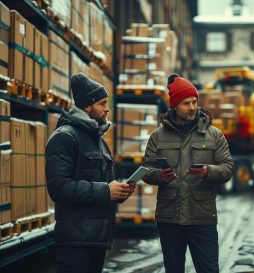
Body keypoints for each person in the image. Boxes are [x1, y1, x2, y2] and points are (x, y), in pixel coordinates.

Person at [142, 74, 234, 273]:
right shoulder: (158, 136)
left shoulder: (214, 134)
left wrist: (208, 171)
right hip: (170, 218)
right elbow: (146, 169)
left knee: (209, 269)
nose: (192, 107)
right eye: (186, 103)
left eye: (194, 101)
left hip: (202, 217)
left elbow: (227, 168)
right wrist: (159, 176)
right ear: (175, 105)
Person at [45, 73, 134, 273]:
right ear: (87, 106)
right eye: (102, 103)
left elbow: (104, 185)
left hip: (97, 239)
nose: (107, 108)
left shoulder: (99, 141)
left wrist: (119, 191)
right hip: (75, 243)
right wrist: (106, 191)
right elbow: (58, 187)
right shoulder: (65, 137)